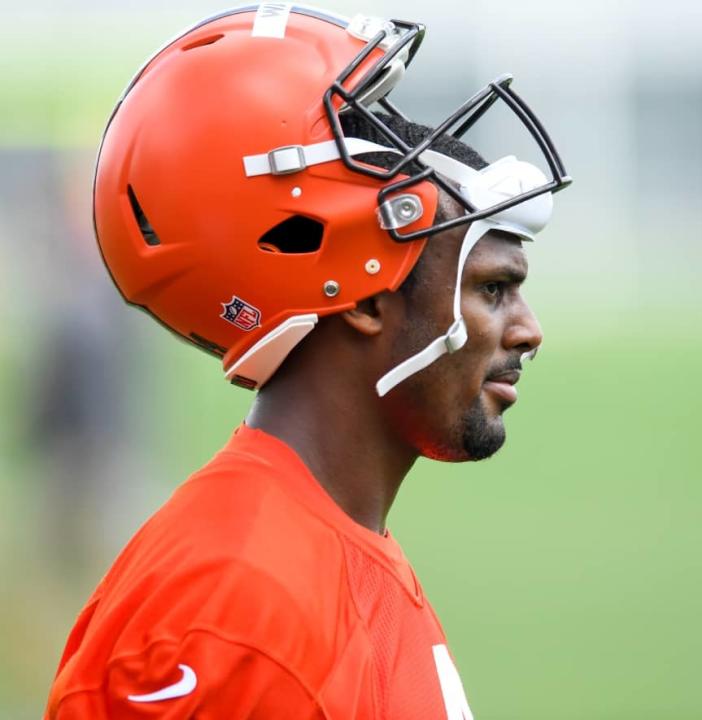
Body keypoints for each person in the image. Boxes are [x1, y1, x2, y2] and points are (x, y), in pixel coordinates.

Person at [45, 4, 570, 718]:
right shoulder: (240, 606)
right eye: (492, 288)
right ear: (363, 299)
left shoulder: (318, 550)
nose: (528, 331)